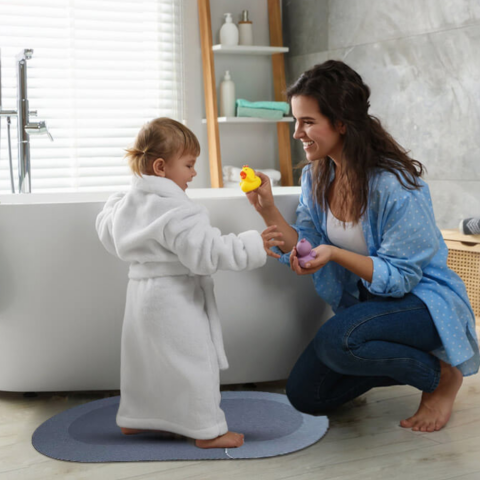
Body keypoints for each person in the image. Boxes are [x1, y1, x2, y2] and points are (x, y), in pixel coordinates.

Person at [247, 60, 479, 433]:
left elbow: (403, 277)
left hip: (423, 304)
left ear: (341, 123)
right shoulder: (316, 176)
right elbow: (308, 246)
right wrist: (267, 209)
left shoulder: (396, 186)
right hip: (372, 307)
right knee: (306, 395)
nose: (297, 133)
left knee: (339, 339)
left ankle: (441, 375)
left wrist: (336, 254)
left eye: (307, 122)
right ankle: (372, 358)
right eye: (296, 121)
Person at [96, 118, 267, 448]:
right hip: (174, 299)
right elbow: (206, 253)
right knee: (194, 363)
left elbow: (106, 230)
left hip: (141, 298)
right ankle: (208, 431)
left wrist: (124, 196)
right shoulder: (176, 209)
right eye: (188, 165)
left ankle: (136, 418)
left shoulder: (128, 204)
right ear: (160, 167)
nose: (193, 173)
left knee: (146, 362)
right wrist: (252, 245)